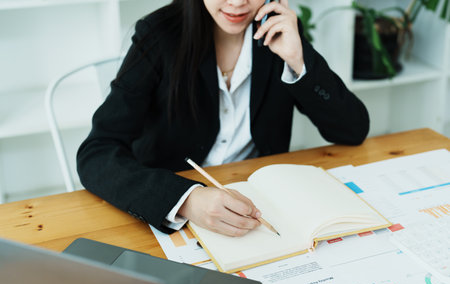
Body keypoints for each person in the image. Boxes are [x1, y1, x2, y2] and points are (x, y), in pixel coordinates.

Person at [77, 0, 370, 238]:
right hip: (173, 214)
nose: (238, 2)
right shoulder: (159, 34)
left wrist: (298, 60)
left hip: (259, 210)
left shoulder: (276, 30)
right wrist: (187, 199)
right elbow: (96, 153)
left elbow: (352, 130)